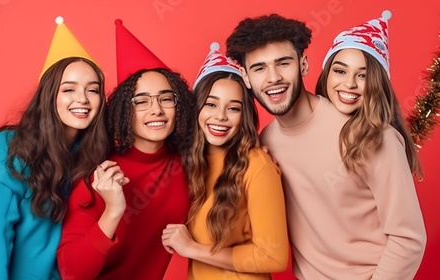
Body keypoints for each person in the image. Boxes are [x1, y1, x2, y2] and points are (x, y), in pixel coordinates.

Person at [226, 12, 427, 279]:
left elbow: (408, 238)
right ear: (247, 78)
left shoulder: (371, 137)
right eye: (260, 68)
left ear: (304, 65)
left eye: (283, 63)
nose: (273, 77)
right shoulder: (265, 145)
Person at [0, 18, 108, 280]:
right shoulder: (9, 150)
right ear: (49, 95)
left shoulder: (92, 157)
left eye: (93, 90)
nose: (83, 99)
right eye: (69, 89)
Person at [56, 19, 196, 280]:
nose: (156, 109)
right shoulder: (99, 173)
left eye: (166, 98)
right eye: (141, 101)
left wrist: (256, 153)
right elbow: (72, 272)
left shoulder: (191, 163)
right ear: (124, 111)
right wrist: (113, 210)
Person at [161, 42, 289, 280]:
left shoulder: (257, 165)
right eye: (211, 104)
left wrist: (192, 249)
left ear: (245, 116)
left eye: (233, 108)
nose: (220, 116)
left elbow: (274, 257)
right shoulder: (188, 161)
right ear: (196, 107)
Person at [315, 10, 423, 180]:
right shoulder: (310, 126)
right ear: (327, 74)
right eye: (340, 71)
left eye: (362, 75)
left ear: (377, 83)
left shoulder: (384, 142)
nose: (350, 84)